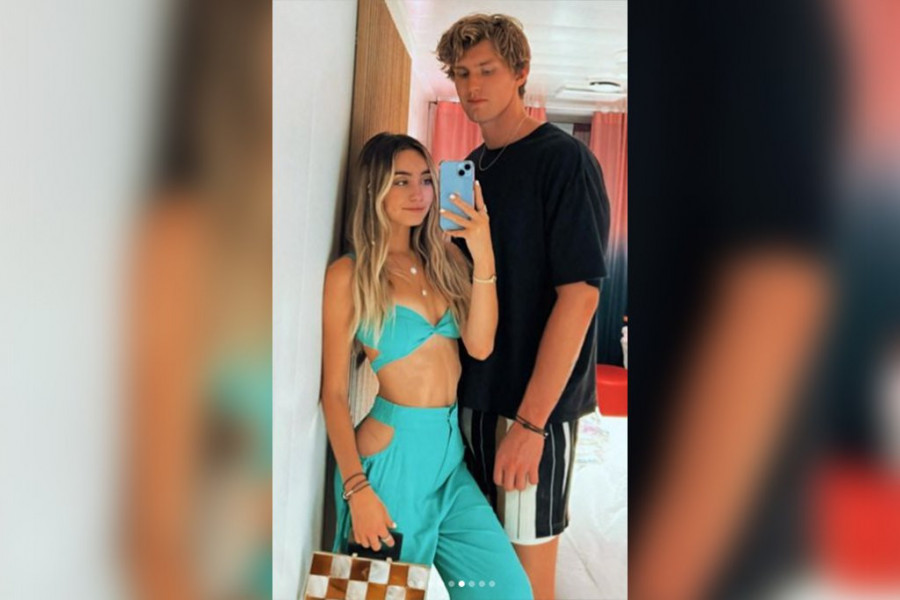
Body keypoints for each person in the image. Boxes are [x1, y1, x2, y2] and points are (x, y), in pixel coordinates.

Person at [435, 14, 610, 600]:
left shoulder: (565, 161)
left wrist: (532, 424)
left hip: (532, 409)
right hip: (472, 399)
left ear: (521, 73)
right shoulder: (470, 169)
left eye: (486, 70)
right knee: (487, 578)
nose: (471, 86)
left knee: (527, 579)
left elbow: (581, 296)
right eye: (461, 73)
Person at [320, 133, 533, 600]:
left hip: (448, 459)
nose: (418, 193)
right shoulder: (350, 275)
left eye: (425, 179)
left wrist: (483, 250)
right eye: (401, 181)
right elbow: (333, 394)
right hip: (391, 466)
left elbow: (480, 345)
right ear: (374, 188)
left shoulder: (444, 259)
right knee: (377, 595)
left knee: (507, 591)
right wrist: (357, 489)